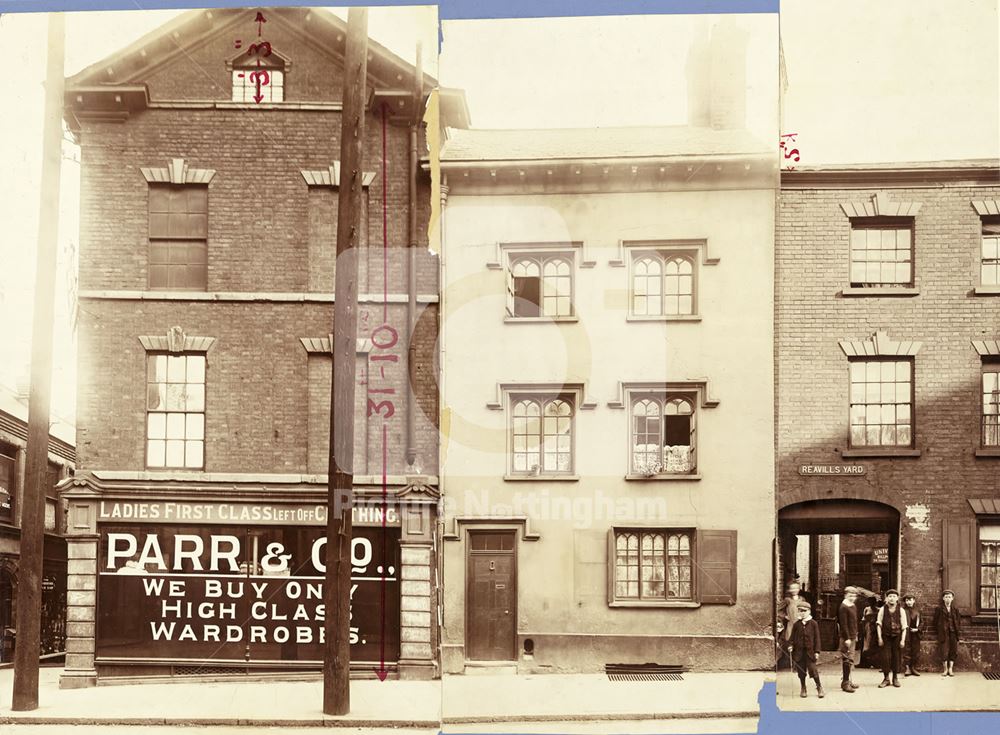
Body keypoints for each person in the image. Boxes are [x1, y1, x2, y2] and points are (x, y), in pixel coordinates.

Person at [787, 600, 825, 698]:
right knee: (801, 671)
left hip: (810, 652)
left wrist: (817, 651)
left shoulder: (813, 624)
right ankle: (803, 688)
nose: (802, 613)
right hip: (799, 653)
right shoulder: (796, 624)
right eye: (800, 611)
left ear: (809, 611)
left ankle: (819, 687)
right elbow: (792, 637)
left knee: (813, 670)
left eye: (804, 611)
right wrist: (790, 645)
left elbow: (817, 638)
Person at [876, 588, 908, 688]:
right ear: (886, 598)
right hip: (885, 637)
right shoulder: (882, 609)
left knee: (896, 657)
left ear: (897, 598)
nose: (892, 598)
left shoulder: (901, 610)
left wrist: (902, 640)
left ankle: (895, 678)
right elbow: (878, 624)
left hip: (897, 637)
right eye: (890, 596)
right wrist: (880, 638)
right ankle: (886, 679)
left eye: (894, 596)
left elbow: (904, 627)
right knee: (885, 657)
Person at [934, 589, 962, 677]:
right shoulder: (939, 609)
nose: (948, 599)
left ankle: (951, 669)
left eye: (949, 597)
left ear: (952, 598)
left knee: (953, 650)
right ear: (943, 598)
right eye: (946, 597)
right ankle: (945, 669)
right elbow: (935, 621)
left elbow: (958, 621)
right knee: (944, 650)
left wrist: (956, 630)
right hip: (943, 633)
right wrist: (940, 629)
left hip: (953, 632)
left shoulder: (955, 609)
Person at [837, 586, 859, 693]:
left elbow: (854, 622)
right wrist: (847, 638)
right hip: (847, 637)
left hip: (852, 636)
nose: (852, 598)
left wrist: (856, 634)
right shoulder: (843, 607)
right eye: (850, 595)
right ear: (845, 595)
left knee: (851, 659)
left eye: (854, 596)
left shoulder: (853, 606)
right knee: (847, 659)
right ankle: (845, 683)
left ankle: (848, 681)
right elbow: (843, 624)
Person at [902, 592, 922, 676]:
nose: (908, 602)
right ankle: (907, 668)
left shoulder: (918, 611)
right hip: (906, 633)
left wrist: (917, 629)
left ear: (914, 601)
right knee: (906, 650)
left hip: (915, 634)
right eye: (907, 600)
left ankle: (913, 668)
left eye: (910, 600)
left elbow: (922, 622)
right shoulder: (902, 610)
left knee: (915, 651)